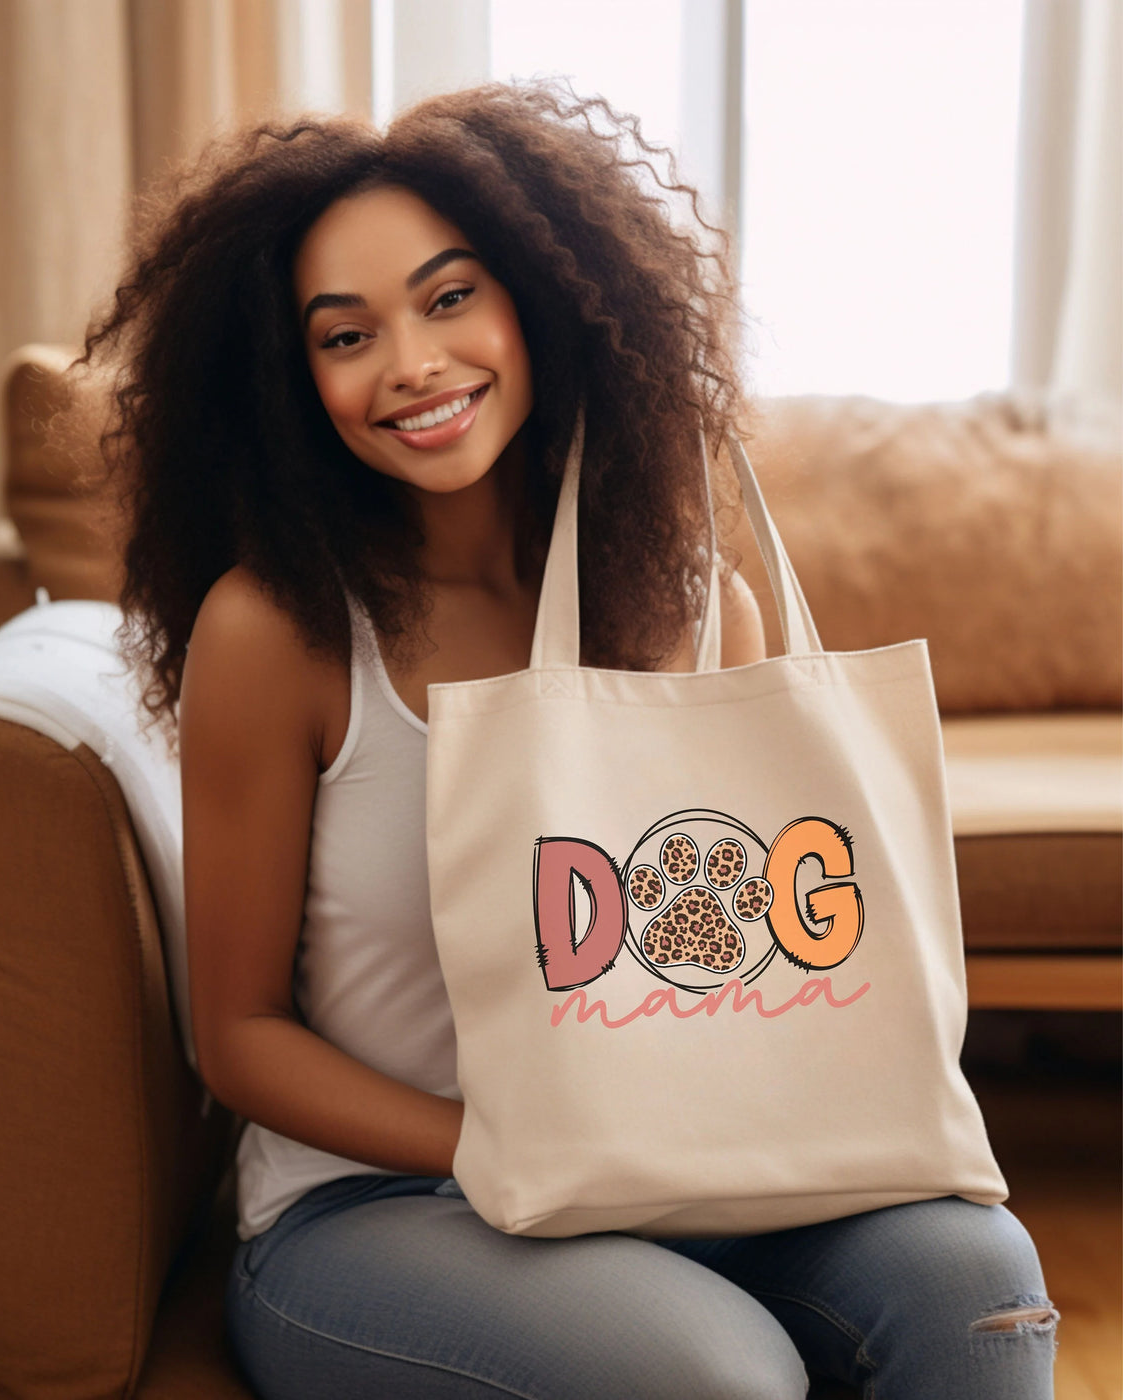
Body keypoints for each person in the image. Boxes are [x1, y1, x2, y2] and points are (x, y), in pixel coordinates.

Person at [75, 81, 1058, 1400]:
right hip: (387, 1206)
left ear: (544, 298)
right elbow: (239, 1036)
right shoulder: (278, 633)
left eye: (448, 298)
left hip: (703, 1169)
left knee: (974, 1287)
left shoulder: (698, 598)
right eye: (346, 333)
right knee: (718, 1379)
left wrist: (674, 1146)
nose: (412, 363)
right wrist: (509, 1140)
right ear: (291, 380)